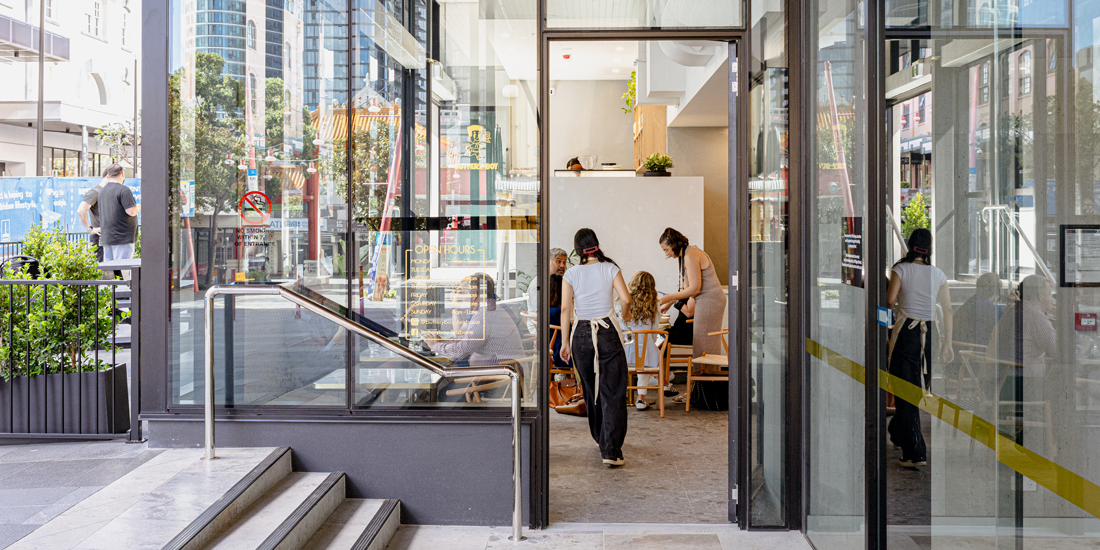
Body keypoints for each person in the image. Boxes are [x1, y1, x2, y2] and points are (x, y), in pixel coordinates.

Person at [560, 228, 632, 467]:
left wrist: (564, 341)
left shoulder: (571, 273)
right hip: (607, 331)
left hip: (580, 334)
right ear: (596, 245)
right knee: (613, 390)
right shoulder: (610, 268)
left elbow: (565, 310)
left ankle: (601, 439)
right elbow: (626, 298)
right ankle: (610, 449)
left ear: (578, 250)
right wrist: (625, 315)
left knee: (591, 390)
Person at [885, 228, 954, 468]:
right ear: (929, 249)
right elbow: (947, 310)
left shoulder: (900, 269)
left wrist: (885, 331)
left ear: (910, 245)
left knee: (906, 390)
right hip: (930, 334)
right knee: (915, 387)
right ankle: (897, 431)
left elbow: (889, 302)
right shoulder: (939, 274)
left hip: (906, 331)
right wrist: (948, 343)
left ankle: (915, 452)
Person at [424, 273, 526, 369]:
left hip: (497, 379)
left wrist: (435, 346)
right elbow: (467, 339)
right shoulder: (488, 309)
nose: (460, 297)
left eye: (463, 293)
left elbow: (461, 351)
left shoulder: (484, 315)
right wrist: (442, 341)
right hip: (499, 373)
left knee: (441, 380)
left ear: (474, 295)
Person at [656, 228, 725, 360]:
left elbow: (694, 289)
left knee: (705, 340)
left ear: (673, 245)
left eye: (666, 250)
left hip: (711, 299)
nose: (666, 254)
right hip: (705, 299)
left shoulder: (690, 254)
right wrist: (669, 303)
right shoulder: (685, 255)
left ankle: (706, 377)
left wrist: (671, 298)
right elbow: (684, 286)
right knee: (702, 340)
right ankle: (702, 375)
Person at [623, 271, 662, 411]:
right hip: (646, 353)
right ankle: (641, 398)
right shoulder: (655, 305)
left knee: (639, 353)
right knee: (650, 350)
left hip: (625, 350)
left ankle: (621, 397)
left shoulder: (621, 302)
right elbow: (655, 331)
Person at [97, 164, 140, 262]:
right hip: (122, 238)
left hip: (107, 238)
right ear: (122, 174)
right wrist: (138, 207)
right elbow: (131, 211)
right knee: (122, 272)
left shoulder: (102, 191)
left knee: (111, 272)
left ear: (108, 176)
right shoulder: (124, 190)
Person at [953, 272, 1003, 348]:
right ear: (998, 291)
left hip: (961, 351)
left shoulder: (969, 303)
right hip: (981, 354)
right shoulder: (995, 310)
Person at [527, 248, 568, 334]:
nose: (562, 266)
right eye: (558, 261)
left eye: (564, 262)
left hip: (556, 322)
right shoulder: (539, 283)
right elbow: (540, 310)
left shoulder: (559, 282)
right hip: (543, 328)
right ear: (548, 262)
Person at [77, 170, 111, 262]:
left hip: (109, 235)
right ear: (108, 176)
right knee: (101, 266)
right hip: (99, 235)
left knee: (114, 267)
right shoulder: (95, 192)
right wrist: (90, 229)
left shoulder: (107, 192)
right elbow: (81, 210)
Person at [547, 274, 570, 373]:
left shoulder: (548, 310)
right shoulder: (558, 311)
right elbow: (571, 330)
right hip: (560, 350)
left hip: (551, 347)